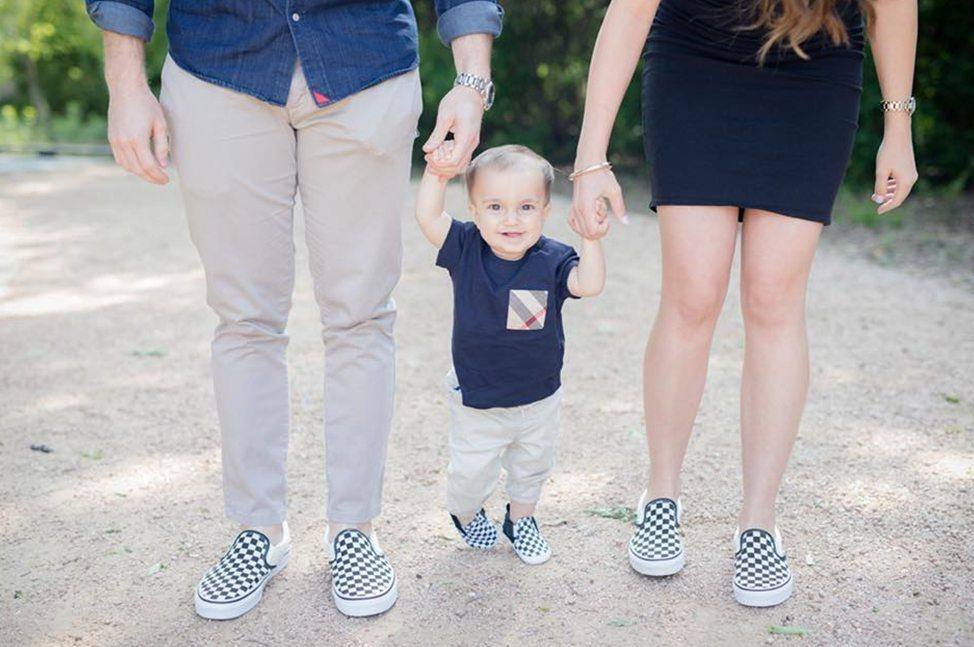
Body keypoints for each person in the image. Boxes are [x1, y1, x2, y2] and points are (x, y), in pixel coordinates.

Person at [84, 0, 504, 619]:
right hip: (217, 70)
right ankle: (259, 529)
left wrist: (471, 80)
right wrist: (125, 82)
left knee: (361, 315)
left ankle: (354, 531)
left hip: (366, 66)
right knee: (243, 319)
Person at [570, 0, 917, 606]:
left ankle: (759, 522)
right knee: (691, 296)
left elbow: (893, 5)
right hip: (694, 62)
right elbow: (630, 10)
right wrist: (590, 156)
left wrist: (898, 128)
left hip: (816, 68)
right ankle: (661, 496)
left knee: (774, 298)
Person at [415, 143, 605, 564]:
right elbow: (428, 217)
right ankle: (465, 513)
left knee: (532, 467)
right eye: (496, 206)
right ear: (475, 210)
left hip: (538, 396)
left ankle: (521, 520)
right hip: (479, 397)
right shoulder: (466, 247)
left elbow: (588, 285)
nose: (511, 219)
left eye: (525, 207)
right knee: (470, 473)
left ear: (545, 211)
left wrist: (591, 240)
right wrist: (437, 174)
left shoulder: (553, 259)